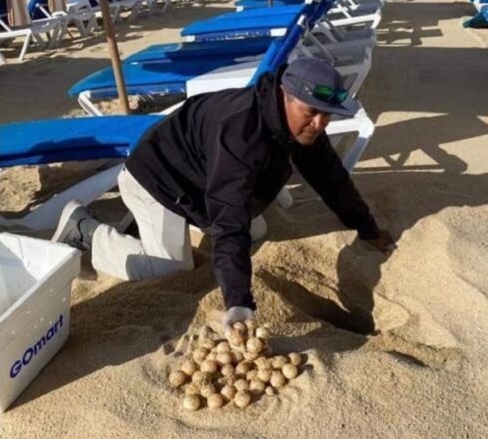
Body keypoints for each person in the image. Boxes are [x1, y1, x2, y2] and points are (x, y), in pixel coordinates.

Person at [52, 58, 396, 331]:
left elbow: (332, 179)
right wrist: (238, 300)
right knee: (172, 268)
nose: (320, 124)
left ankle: (158, 229)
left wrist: (367, 229)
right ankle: (85, 230)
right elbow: (229, 216)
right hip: (156, 180)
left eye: (327, 115)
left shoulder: (299, 126)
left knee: (256, 231)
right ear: (284, 95)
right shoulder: (241, 133)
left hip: (199, 180)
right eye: (311, 112)